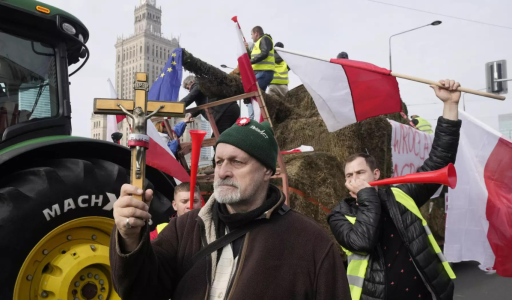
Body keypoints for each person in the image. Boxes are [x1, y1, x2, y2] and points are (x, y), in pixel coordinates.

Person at [110, 118, 351, 300]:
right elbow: (141, 291)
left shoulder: (311, 245)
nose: (223, 171)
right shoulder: (186, 227)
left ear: (268, 171)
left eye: (237, 162)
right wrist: (129, 239)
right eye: (218, 161)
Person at [328, 79, 462, 300]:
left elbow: (440, 160)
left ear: (376, 174)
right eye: (349, 176)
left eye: (360, 173)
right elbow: (363, 242)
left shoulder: (401, 195)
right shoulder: (339, 215)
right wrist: (367, 195)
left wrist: (450, 105)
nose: (354, 179)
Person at [244, 26, 275, 119]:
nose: (251, 37)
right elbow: (255, 57)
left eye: (251, 34)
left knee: (256, 98)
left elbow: (264, 53)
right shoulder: (259, 43)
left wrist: (250, 62)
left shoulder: (265, 39)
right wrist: (247, 50)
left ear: (256, 33)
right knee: (256, 98)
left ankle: (258, 120)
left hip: (264, 72)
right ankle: (259, 119)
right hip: (262, 73)